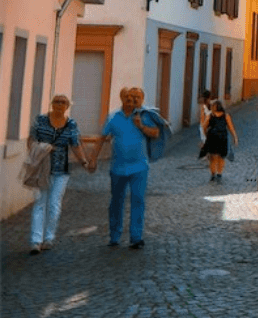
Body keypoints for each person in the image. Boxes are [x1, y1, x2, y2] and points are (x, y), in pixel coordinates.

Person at [88, 87, 159, 249]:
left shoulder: (145, 116)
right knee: (116, 202)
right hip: (118, 167)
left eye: (135, 97)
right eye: (127, 97)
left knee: (138, 200)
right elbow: (101, 139)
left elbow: (155, 133)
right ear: (121, 98)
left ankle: (136, 237)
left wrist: (141, 126)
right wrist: (93, 159)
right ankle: (114, 236)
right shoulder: (113, 117)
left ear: (141, 99)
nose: (131, 100)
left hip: (139, 167)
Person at [27, 94, 91, 254]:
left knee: (54, 204)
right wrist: (40, 150)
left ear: (67, 106)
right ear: (52, 104)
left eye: (63, 102)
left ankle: (48, 238)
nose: (59, 104)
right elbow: (31, 140)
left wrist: (84, 162)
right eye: (56, 101)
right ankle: (35, 241)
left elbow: (75, 145)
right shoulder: (41, 120)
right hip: (42, 168)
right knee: (40, 202)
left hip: (61, 169)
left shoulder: (71, 124)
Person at [204, 100, 238, 183]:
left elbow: (204, 126)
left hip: (212, 138)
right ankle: (219, 174)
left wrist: (206, 136)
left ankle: (213, 175)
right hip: (222, 138)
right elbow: (231, 127)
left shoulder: (209, 116)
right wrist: (235, 137)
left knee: (213, 158)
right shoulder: (226, 116)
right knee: (221, 158)